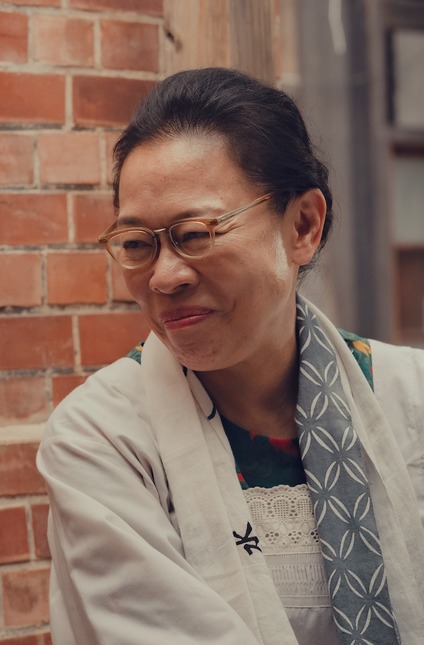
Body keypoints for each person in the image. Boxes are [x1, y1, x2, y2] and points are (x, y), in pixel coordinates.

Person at [37, 67, 424, 644]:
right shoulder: (104, 439)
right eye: (138, 244)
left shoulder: (410, 395)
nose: (165, 277)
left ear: (303, 225)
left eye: (195, 234)